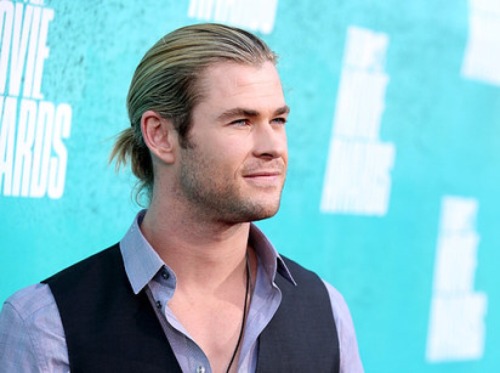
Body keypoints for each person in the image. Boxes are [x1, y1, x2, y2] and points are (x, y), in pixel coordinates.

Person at [0, 23, 363, 372]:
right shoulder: (46, 326)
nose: (272, 147)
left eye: (278, 121)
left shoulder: (325, 313)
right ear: (160, 135)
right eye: (241, 121)